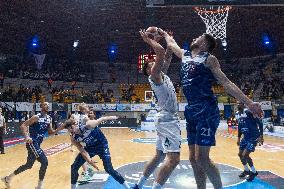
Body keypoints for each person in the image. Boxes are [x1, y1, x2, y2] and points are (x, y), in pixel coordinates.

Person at [159, 28, 264, 189]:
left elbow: (226, 83)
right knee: (193, 160)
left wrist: (249, 103)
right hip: (191, 110)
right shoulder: (185, 55)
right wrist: (163, 34)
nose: (195, 37)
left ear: (205, 44)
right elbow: (171, 44)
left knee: (202, 158)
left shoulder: (209, 59)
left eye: (199, 36)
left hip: (206, 110)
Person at [132, 29, 181, 189]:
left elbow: (166, 56)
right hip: (168, 120)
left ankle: (138, 185)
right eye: (150, 64)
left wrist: (170, 40)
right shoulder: (154, 75)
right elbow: (159, 52)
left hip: (164, 118)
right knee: (173, 159)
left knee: (159, 156)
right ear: (148, 70)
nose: (154, 63)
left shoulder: (161, 74)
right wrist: (149, 40)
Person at [59, 103, 131, 189]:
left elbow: (102, 118)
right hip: (89, 148)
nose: (70, 131)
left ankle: (128, 187)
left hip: (102, 145)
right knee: (74, 167)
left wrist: (115, 117)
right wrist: (89, 161)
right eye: (68, 130)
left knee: (109, 169)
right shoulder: (73, 138)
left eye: (71, 129)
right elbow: (82, 150)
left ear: (74, 125)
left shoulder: (88, 125)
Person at [1, 102, 56, 189]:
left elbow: (51, 132)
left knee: (28, 165)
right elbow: (23, 125)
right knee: (44, 162)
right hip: (32, 143)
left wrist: (63, 126)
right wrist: (26, 136)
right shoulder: (36, 117)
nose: (47, 106)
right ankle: (39, 186)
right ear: (41, 106)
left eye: (48, 105)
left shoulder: (49, 118)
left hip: (37, 144)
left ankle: (8, 178)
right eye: (45, 104)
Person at [236, 104, 264, 182]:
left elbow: (260, 123)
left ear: (243, 105)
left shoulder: (249, 113)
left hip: (254, 137)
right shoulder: (238, 114)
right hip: (245, 137)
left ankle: (254, 172)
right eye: (237, 103)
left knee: (245, 155)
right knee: (240, 154)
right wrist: (238, 138)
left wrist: (261, 136)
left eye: (240, 103)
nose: (238, 104)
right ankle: (246, 170)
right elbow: (239, 127)